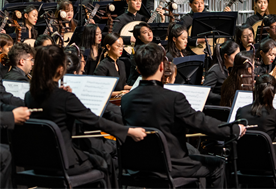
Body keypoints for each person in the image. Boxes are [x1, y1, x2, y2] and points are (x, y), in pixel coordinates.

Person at [121, 43, 246, 189]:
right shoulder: (173, 98)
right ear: (162, 67)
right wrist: (234, 130)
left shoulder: (126, 99)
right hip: (170, 165)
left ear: (137, 69)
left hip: (137, 166)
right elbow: (201, 123)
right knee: (218, 164)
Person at [26, 45, 146, 187]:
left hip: (38, 161)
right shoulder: (64, 98)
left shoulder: (30, 96)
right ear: (60, 69)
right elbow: (95, 121)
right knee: (104, 161)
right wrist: (129, 131)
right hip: (63, 163)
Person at [203, 41, 240, 105]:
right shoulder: (215, 70)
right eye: (236, 56)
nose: (239, 58)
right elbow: (205, 92)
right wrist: (223, 98)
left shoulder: (231, 68)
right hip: (217, 107)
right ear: (225, 56)